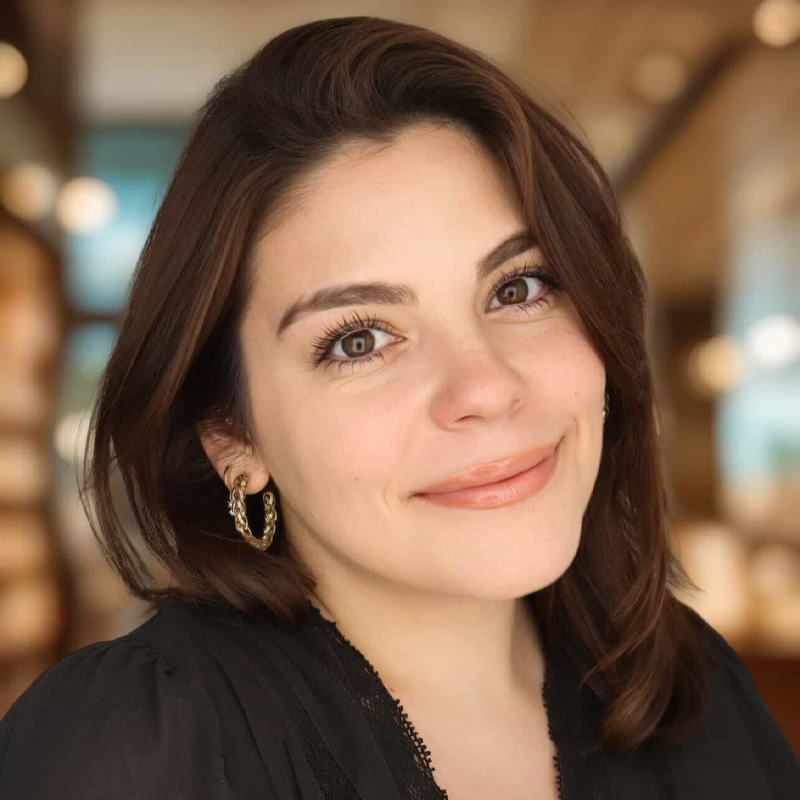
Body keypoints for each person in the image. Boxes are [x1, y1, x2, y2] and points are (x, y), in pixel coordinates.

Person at [1, 15, 797, 800]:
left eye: (518, 288)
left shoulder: (690, 684)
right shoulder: (127, 750)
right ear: (230, 434)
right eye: (359, 340)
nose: (486, 387)